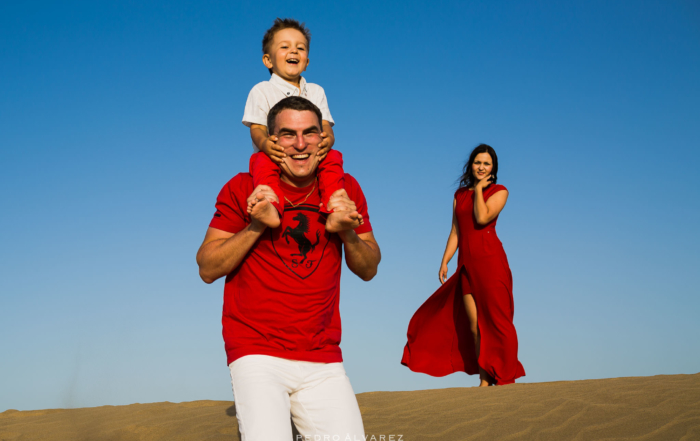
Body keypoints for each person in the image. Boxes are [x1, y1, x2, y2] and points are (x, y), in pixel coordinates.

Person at [197, 97, 381, 440]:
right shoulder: (243, 187)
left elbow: (369, 267)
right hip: (256, 351)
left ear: (323, 138)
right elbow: (207, 267)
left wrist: (346, 230)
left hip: (323, 356)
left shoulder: (345, 190)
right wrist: (256, 226)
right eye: (288, 134)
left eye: (309, 133)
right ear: (272, 141)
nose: (300, 144)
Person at [401, 144, 525, 386]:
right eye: (478, 162)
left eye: (486, 163)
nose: (481, 167)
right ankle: (485, 379)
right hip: (466, 264)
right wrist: (445, 259)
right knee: (474, 325)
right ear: (471, 165)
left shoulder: (500, 191)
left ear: (493, 168)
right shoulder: (459, 196)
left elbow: (482, 217)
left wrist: (479, 189)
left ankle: (506, 378)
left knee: (499, 322)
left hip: (491, 262)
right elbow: (456, 230)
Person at [243, 17, 344, 223]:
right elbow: (257, 127)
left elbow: (325, 123)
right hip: (276, 155)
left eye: (300, 48)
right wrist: (265, 144)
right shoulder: (262, 90)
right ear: (268, 60)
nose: (294, 51)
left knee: (333, 158)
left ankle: (334, 206)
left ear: (306, 62)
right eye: (284, 47)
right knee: (261, 161)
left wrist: (328, 140)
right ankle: (270, 205)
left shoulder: (316, 91)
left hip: (309, 157)